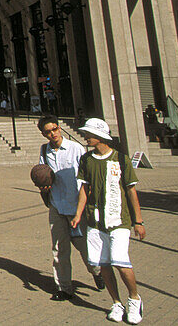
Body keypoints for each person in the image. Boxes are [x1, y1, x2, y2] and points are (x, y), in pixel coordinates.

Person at [70, 118, 146, 325]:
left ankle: (134, 298)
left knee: (121, 262)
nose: (85, 137)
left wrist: (138, 221)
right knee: (103, 264)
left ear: (101, 136)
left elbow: (131, 190)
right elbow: (84, 189)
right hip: (95, 221)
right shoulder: (86, 160)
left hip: (119, 220)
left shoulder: (122, 159)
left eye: (89, 134)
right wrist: (78, 214)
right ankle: (116, 302)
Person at [35, 115, 103, 301]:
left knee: (85, 248)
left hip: (76, 207)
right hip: (56, 206)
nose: (53, 134)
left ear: (59, 128)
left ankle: (97, 272)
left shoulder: (76, 149)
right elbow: (44, 174)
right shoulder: (44, 150)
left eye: (55, 129)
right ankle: (64, 288)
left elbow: (86, 179)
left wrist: (85, 207)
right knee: (59, 250)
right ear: (43, 134)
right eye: (48, 132)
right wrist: (43, 186)